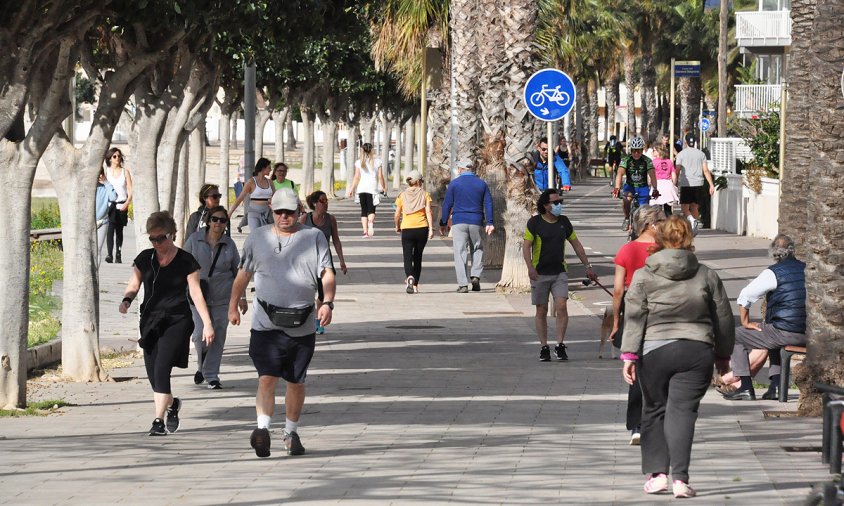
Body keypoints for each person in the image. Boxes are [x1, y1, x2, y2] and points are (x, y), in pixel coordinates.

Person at [620, 215, 734, 499]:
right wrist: (723, 356)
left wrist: (630, 355)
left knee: (655, 410)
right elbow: (723, 318)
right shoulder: (706, 274)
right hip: (696, 351)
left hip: (655, 350)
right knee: (683, 413)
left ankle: (658, 475)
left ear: (659, 239)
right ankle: (681, 480)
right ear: (688, 239)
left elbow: (635, 316)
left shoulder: (645, 275)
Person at [229, 188, 335, 458]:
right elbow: (243, 274)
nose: (284, 216)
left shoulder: (314, 237)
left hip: (302, 323)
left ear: (299, 210)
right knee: (267, 377)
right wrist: (234, 304)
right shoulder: (258, 237)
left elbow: (327, 273)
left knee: (296, 381)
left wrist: (328, 302)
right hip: (266, 323)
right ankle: (262, 430)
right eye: (279, 212)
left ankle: (290, 432)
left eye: (290, 211)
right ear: (271, 212)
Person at [118, 211, 215, 436]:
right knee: (154, 376)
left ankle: (157, 421)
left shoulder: (185, 261)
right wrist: (126, 300)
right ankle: (172, 405)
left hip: (177, 320)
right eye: (152, 239)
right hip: (150, 321)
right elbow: (134, 283)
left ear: (171, 235)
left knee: (162, 368)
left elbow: (196, 293)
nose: (156, 243)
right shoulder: (145, 258)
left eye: (160, 238)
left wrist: (207, 323)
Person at [723, 234, 807, 401]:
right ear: (793, 250)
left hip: (786, 331)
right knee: (771, 333)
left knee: (735, 336)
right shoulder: (806, 268)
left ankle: (745, 387)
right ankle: (775, 386)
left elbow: (745, 296)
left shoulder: (774, 272)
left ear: (774, 254)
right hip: (809, 332)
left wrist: (746, 322)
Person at [611, 206, 665, 445]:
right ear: (651, 225)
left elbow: (618, 290)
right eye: (662, 221)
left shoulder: (626, 250)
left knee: (636, 368)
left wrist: (616, 322)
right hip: (661, 314)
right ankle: (657, 423)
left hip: (633, 314)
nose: (665, 225)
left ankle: (637, 425)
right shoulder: (664, 250)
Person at [523, 189, 598, 361]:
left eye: (560, 202)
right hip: (539, 274)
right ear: (545, 205)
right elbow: (526, 247)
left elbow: (577, 245)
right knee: (541, 310)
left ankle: (560, 344)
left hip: (559, 273)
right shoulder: (534, 223)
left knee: (561, 305)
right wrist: (530, 268)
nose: (559, 205)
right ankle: (544, 347)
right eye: (555, 202)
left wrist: (588, 266)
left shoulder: (564, 222)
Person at [183, 206, 244, 389]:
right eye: (215, 219)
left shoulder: (229, 244)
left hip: (222, 297)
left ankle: (211, 375)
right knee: (199, 335)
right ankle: (202, 367)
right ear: (208, 221)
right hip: (198, 296)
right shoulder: (195, 240)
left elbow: (238, 272)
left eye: (222, 220)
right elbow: (183, 265)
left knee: (217, 335)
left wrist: (240, 298)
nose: (218, 223)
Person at [439, 160, 494, 293]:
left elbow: (447, 204)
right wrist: (490, 222)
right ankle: (475, 276)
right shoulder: (481, 184)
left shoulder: (454, 184)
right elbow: (488, 203)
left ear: (460, 169)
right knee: (477, 248)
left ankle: (463, 284)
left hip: (459, 222)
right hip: (476, 221)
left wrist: (443, 222)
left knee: (460, 252)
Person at [301, 190, 347, 334]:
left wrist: (342, 261)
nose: (326, 203)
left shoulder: (331, 219)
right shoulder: (304, 219)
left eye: (326, 200)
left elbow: (336, 240)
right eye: (322, 201)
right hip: (307, 260)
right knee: (307, 290)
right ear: (314, 203)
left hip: (325, 260)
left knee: (323, 292)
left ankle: (318, 320)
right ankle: (308, 319)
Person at [394, 170, 434, 294]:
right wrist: (431, 229)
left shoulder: (402, 195)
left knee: (407, 255)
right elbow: (428, 212)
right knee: (418, 256)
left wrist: (397, 226)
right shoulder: (425, 194)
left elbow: (397, 214)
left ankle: (409, 277)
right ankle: (415, 284)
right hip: (422, 228)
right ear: (418, 182)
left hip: (407, 228)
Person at [612, 136, 658, 232]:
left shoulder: (647, 160)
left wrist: (655, 189)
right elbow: (620, 173)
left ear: (642, 150)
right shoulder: (626, 160)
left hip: (642, 187)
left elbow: (652, 175)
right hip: (630, 186)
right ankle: (627, 218)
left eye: (638, 151)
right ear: (631, 150)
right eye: (634, 151)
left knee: (643, 211)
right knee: (626, 199)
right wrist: (616, 188)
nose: (636, 153)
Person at [346, 142, 387, 237]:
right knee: (372, 210)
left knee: (363, 210)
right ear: (372, 150)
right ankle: (370, 222)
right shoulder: (377, 162)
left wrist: (351, 189)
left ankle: (365, 232)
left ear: (362, 151)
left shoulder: (358, 162)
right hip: (372, 188)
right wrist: (384, 187)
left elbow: (356, 177)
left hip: (361, 188)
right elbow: (380, 176)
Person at [675, 133, 715, 227]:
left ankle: (692, 221)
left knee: (685, 207)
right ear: (695, 142)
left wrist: (675, 182)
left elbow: (677, 170)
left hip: (686, 184)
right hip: (699, 183)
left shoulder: (681, 154)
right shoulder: (701, 154)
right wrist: (711, 184)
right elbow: (705, 170)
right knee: (695, 206)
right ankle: (695, 225)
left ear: (686, 142)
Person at [104, 147, 133, 263]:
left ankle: (118, 254)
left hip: (122, 204)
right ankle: (109, 254)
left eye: (119, 156)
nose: (117, 158)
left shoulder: (125, 172)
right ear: (110, 158)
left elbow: (130, 189)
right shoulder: (106, 172)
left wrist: (127, 202)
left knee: (119, 230)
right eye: (114, 156)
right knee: (110, 229)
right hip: (110, 205)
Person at [229, 157, 274, 233]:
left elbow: (276, 197)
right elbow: (240, 198)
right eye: (269, 168)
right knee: (255, 234)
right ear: (263, 168)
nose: (271, 170)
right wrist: (229, 213)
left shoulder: (270, 182)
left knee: (268, 236)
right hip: (254, 212)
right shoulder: (251, 182)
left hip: (267, 212)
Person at [649, 146, 679, 217]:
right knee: (668, 210)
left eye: (654, 150)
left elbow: (650, 176)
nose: (652, 152)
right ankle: (670, 225)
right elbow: (674, 177)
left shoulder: (653, 162)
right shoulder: (669, 162)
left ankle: (658, 226)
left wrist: (650, 184)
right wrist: (673, 186)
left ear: (658, 151)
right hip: (668, 185)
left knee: (657, 210)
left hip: (657, 185)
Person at [96, 169, 117, 267]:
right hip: (87, 222)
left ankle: (95, 274)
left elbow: (113, 197)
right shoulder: (84, 188)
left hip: (102, 222)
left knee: (98, 250)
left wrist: (106, 181)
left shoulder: (105, 188)